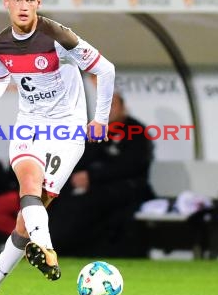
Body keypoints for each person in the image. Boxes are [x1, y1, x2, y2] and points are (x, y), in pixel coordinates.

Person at [0, 0, 115, 295]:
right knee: (28, 187)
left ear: (38, 3)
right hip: (29, 126)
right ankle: (47, 250)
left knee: (24, 221)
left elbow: (106, 69)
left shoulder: (58, 37)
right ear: (6, 3)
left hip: (67, 131)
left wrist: (99, 119)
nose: (24, 6)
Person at [49, 92, 155, 257]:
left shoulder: (136, 131)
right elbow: (80, 158)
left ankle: (66, 248)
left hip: (125, 188)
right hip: (90, 187)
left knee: (89, 203)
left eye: (112, 104)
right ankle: (51, 245)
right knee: (58, 198)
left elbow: (131, 165)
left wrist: (92, 176)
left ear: (123, 108)